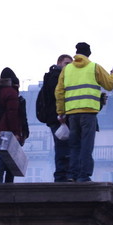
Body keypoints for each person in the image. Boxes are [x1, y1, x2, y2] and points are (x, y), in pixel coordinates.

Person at [55, 42, 113, 182]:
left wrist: (61, 112)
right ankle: (84, 175)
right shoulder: (94, 67)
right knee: (86, 145)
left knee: (74, 145)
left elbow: (59, 91)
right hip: (88, 113)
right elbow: (109, 85)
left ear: (76, 53)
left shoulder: (67, 70)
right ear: (89, 54)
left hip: (71, 113)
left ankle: (72, 175)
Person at [37, 54, 73, 182]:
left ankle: (63, 174)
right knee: (63, 147)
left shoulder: (51, 76)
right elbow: (57, 95)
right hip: (58, 117)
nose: (69, 66)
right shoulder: (56, 76)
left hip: (56, 117)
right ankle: (62, 176)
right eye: (66, 63)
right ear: (59, 63)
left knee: (62, 146)